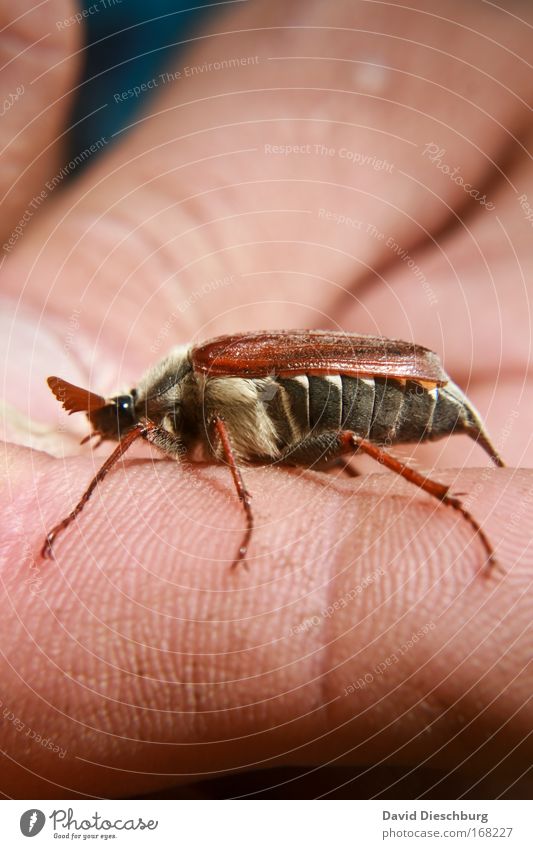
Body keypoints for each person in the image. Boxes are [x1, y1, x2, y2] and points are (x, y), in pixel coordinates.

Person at [1, 0, 531, 799]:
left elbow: (192, 416)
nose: (133, 433)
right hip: (353, 397)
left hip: (383, 387)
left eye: (128, 421)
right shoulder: (160, 411)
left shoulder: (202, 376)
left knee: (351, 442)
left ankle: (446, 502)